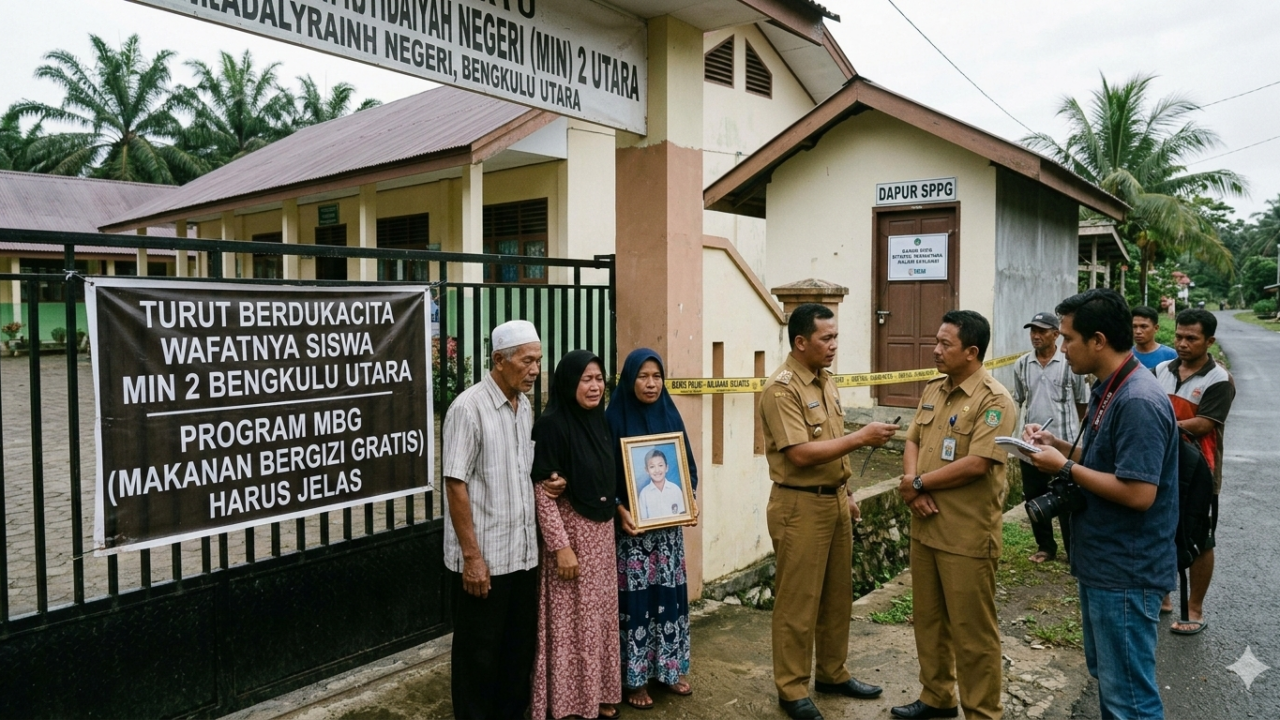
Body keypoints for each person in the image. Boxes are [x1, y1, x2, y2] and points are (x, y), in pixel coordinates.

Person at [1024, 288, 1179, 720]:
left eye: (1068, 338)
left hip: (1126, 569)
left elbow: (1139, 493)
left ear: (1097, 340)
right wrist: (1055, 445)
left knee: (1130, 697)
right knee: (1112, 683)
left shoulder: (1137, 400)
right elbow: (1104, 463)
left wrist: (1064, 468)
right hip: (1102, 561)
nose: (1062, 347)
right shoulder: (1109, 387)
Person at [759, 303, 898, 720]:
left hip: (835, 500)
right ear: (801, 342)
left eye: (835, 336)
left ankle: (833, 673)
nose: (834, 345)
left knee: (837, 597)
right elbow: (800, 454)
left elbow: (831, 444)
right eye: (826, 338)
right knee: (798, 602)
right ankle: (792, 687)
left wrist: (849, 491)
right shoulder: (781, 389)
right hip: (798, 505)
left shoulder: (826, 381)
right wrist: (862, 438)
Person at [893, 310, 1017, 720]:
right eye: (937, 341)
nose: (935, 350)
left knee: (973, 633)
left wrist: (920, 486)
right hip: (926, 526)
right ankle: (937, 698)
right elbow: (912, 439)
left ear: (972, 351)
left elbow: (979, 462)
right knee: (928, 622)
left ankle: (983, 712)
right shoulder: (934, 389)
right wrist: (912, 483)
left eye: (945, 344)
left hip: (965, 536)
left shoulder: (994, 400)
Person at [443, 319, 562, 719]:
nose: (535, 370)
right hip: (487, 561)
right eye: (527, 361)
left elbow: (518, 471)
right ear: (499, 360)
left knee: (516, 654)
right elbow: (455, 483)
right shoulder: (468, 408)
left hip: (523, 556)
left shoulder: (524, 406)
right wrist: (472, 559)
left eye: (538, 361)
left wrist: (548, 484)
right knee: (478, 659)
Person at [605, 349, 700, 710]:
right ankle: (635, 680)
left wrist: (689, 499)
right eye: (643, 376)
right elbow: (603, 474)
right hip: (632, 537)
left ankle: (668, 669)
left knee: (669, 600)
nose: (650, 383)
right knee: (637, 605)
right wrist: (618, 508)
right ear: (629, 379)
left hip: (667, 536)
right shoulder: (613, 419)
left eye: (657, 376)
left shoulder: (669, 415)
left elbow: (685, 465)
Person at [530, 350, 621, 720]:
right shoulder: (552, 425)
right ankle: (567, 703)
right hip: (572, 538)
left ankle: (596, 694)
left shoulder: (598, 422)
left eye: (599, 378)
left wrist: (618, 509)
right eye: (586, 379)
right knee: (571, 626)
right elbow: (541, 490)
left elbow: (602, 478)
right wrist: (561, 548)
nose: (595, 386)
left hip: (601, 536)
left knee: (598, 622)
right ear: (569, 383)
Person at [1154, 308, 1235, 635]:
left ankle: (1195, 609)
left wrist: (1160, 426)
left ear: (1210, 340)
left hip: (1201, 470)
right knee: (1161, 529)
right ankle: (1164, 597)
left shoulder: (1219, 380)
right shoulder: (1161, 369)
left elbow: (1204, 424)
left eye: (1191, 338)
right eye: (1179, 336)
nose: (1182, 343)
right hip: (1162, 464)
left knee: (1201, 538)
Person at [1010, 311, 1088, 564]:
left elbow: (1081, 403)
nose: (1036, 336)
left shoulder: (1070, 363)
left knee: (1067, 498)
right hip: (1031, 446)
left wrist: (1077, 441)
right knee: (1034, 497)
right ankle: (1045, 547)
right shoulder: (1022, 364)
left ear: (1056, 334)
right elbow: (1019, 400)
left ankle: (1073, 550)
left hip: (1064, 444)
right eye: (1033, 331)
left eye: (1042, 331)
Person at [636, 449, 686, 519]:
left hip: (674, 529)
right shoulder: (644, 494)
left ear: (666, 467)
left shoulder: (676, 490)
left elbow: (683, 514)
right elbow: (642, 520)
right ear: (647, 470)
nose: (657, 470)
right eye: (652, 467)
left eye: (660, 465)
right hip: (652, 530)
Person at [1131, 305, 1176, 369]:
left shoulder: (1171, 356)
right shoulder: (1125, 356)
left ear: (1156, 328)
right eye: (1134, 326)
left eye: (1143, 326)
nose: (1138, 331)